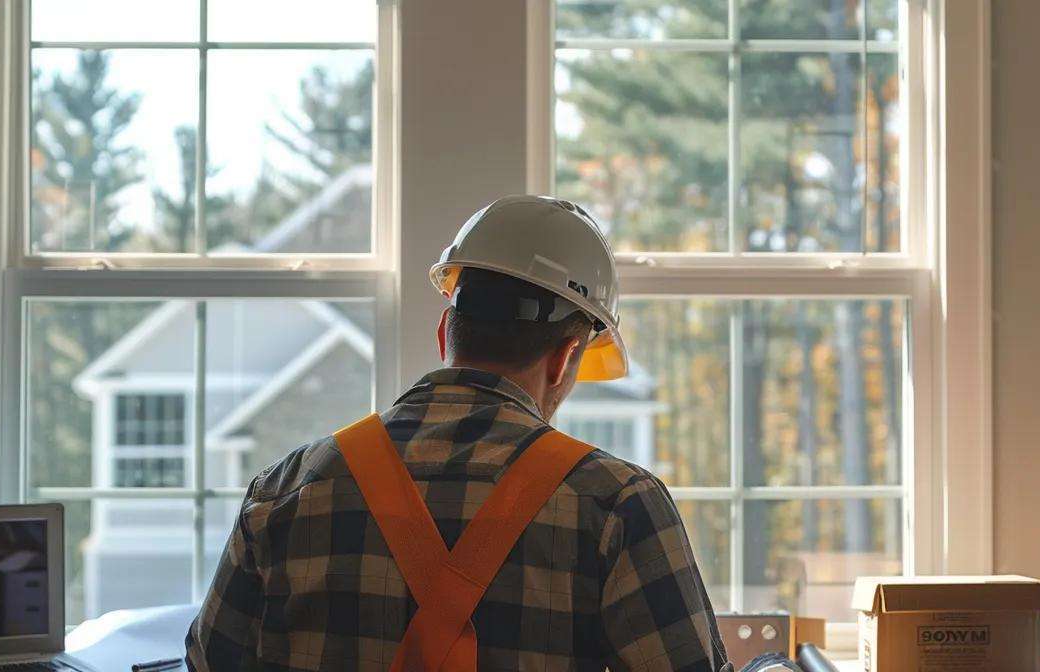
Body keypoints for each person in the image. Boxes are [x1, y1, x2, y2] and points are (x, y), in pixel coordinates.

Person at [186, 196, 730, 671]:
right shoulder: (616, 504)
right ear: (566, 358)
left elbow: (210, 663)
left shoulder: (287, 489)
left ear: (446, 332)